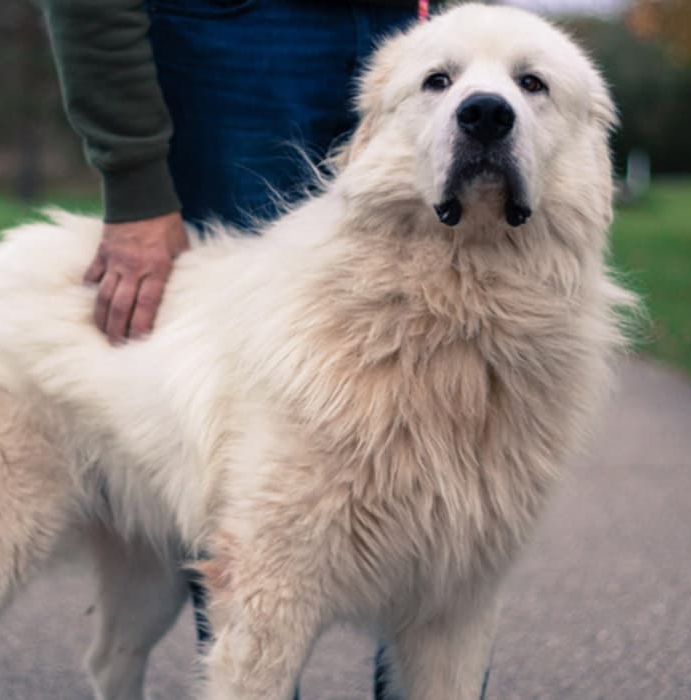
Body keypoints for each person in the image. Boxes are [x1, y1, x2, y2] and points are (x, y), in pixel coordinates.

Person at [41, 2, 494, 698]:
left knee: (461, 484)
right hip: (234, 35)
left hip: (429, 23)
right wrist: (134, 181)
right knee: (264, 531)